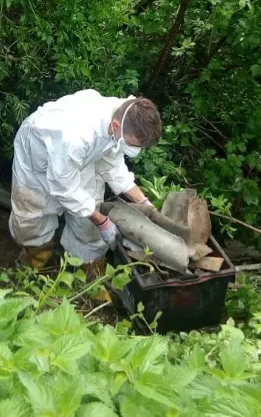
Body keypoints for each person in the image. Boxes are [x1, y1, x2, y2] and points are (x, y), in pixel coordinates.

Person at [9, 89, 163, 297]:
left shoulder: (125, 115)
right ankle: (36, 259)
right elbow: (64, 185)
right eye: (132, 145)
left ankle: (88, 271)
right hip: (38, 154)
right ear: (116, 127)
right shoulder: (76, 135)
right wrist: (103, 222)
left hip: (82, 158)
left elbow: (113, 166)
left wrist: (145, 203)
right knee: (32, 214)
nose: (134, 150)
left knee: (90, 217)